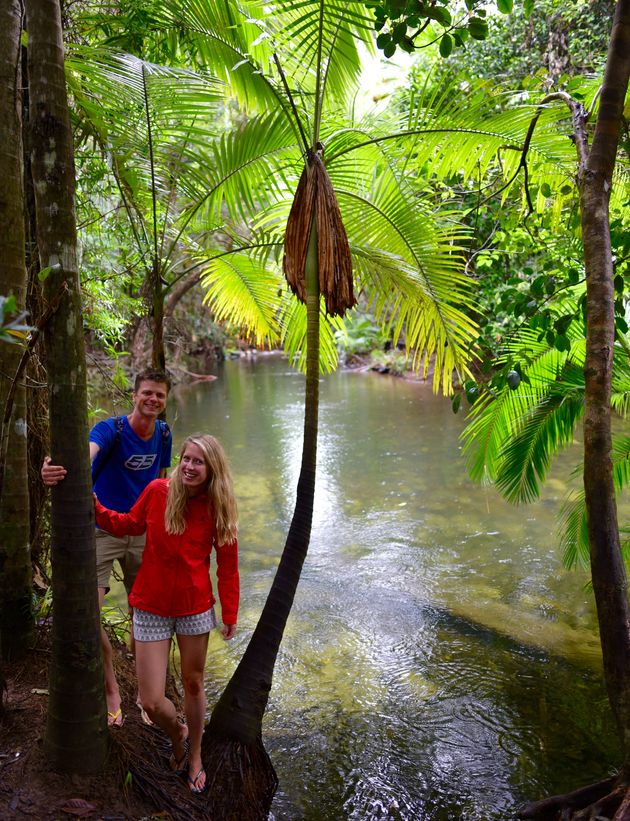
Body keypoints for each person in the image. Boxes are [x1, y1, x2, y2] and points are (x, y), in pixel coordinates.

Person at [94, 434, 239, 795]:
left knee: (193, 683)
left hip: (195, 608)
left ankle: (194, 756)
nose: (189, 466)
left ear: (211, 469)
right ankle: (178, 732)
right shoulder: (159, 491)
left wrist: (230, 611)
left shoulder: (218, 508)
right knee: (151, 700)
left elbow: (228, 567)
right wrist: (94, 507)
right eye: (186, 459)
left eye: (198, 462)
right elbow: (128, 524)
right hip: (151, 607)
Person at [41, 368, 173, 726]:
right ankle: (111, 686)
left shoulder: (163, 433)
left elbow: (161, 482)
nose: (153, 400)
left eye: (159, 395)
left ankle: (146, 694)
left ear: (165, 401)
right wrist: (56, 468)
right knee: (89, 612)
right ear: (134, 395)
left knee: (145, 617)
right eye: (147, 393)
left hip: (142, 533)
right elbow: (86, 453)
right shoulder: (111, 430)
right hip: (102, 529)